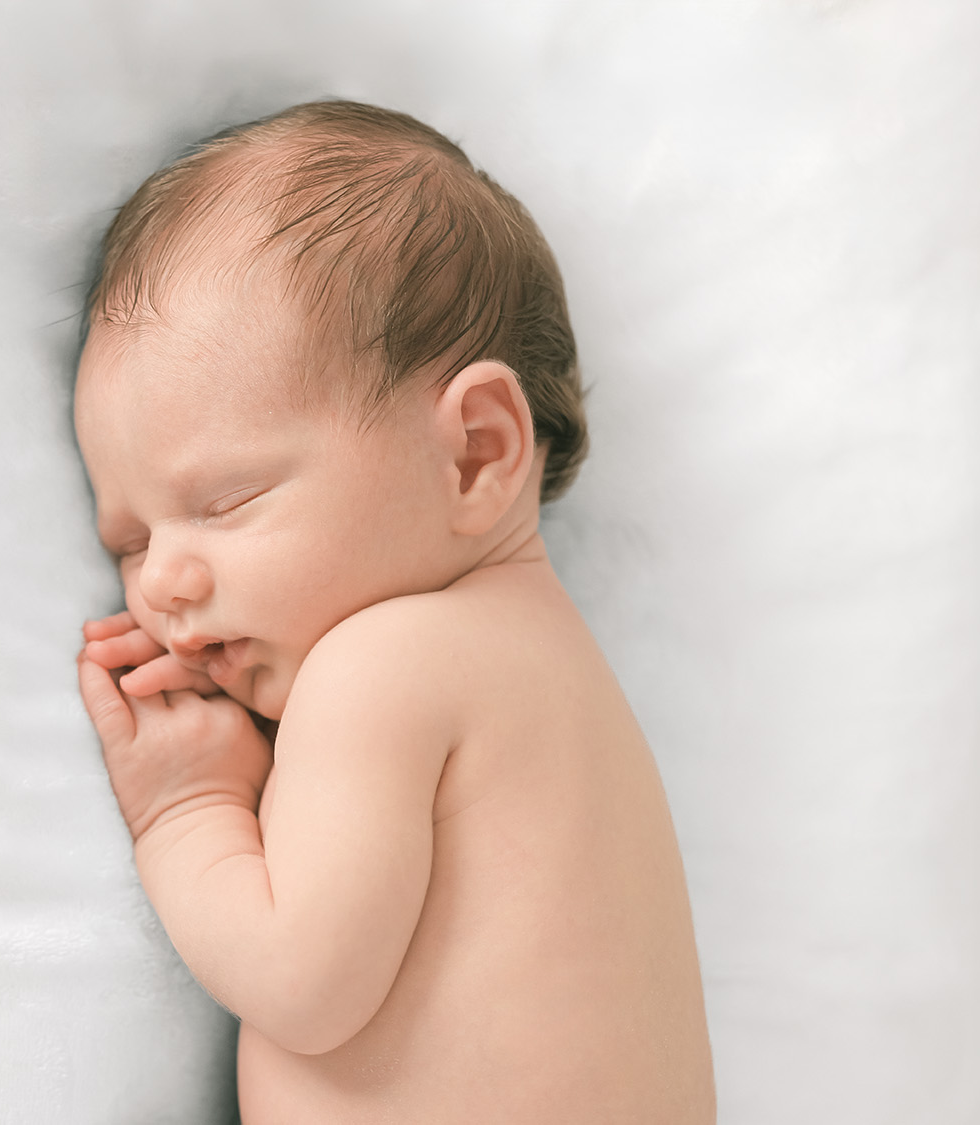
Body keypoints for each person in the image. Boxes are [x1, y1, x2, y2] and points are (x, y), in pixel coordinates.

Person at [74, 99, 714, 1122]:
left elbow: (302, 982)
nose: (161, 583)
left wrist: (187, 811)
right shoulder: (549, 672)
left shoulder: (388, 665)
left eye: (225, 502)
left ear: (475, 454)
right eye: (131, 543)